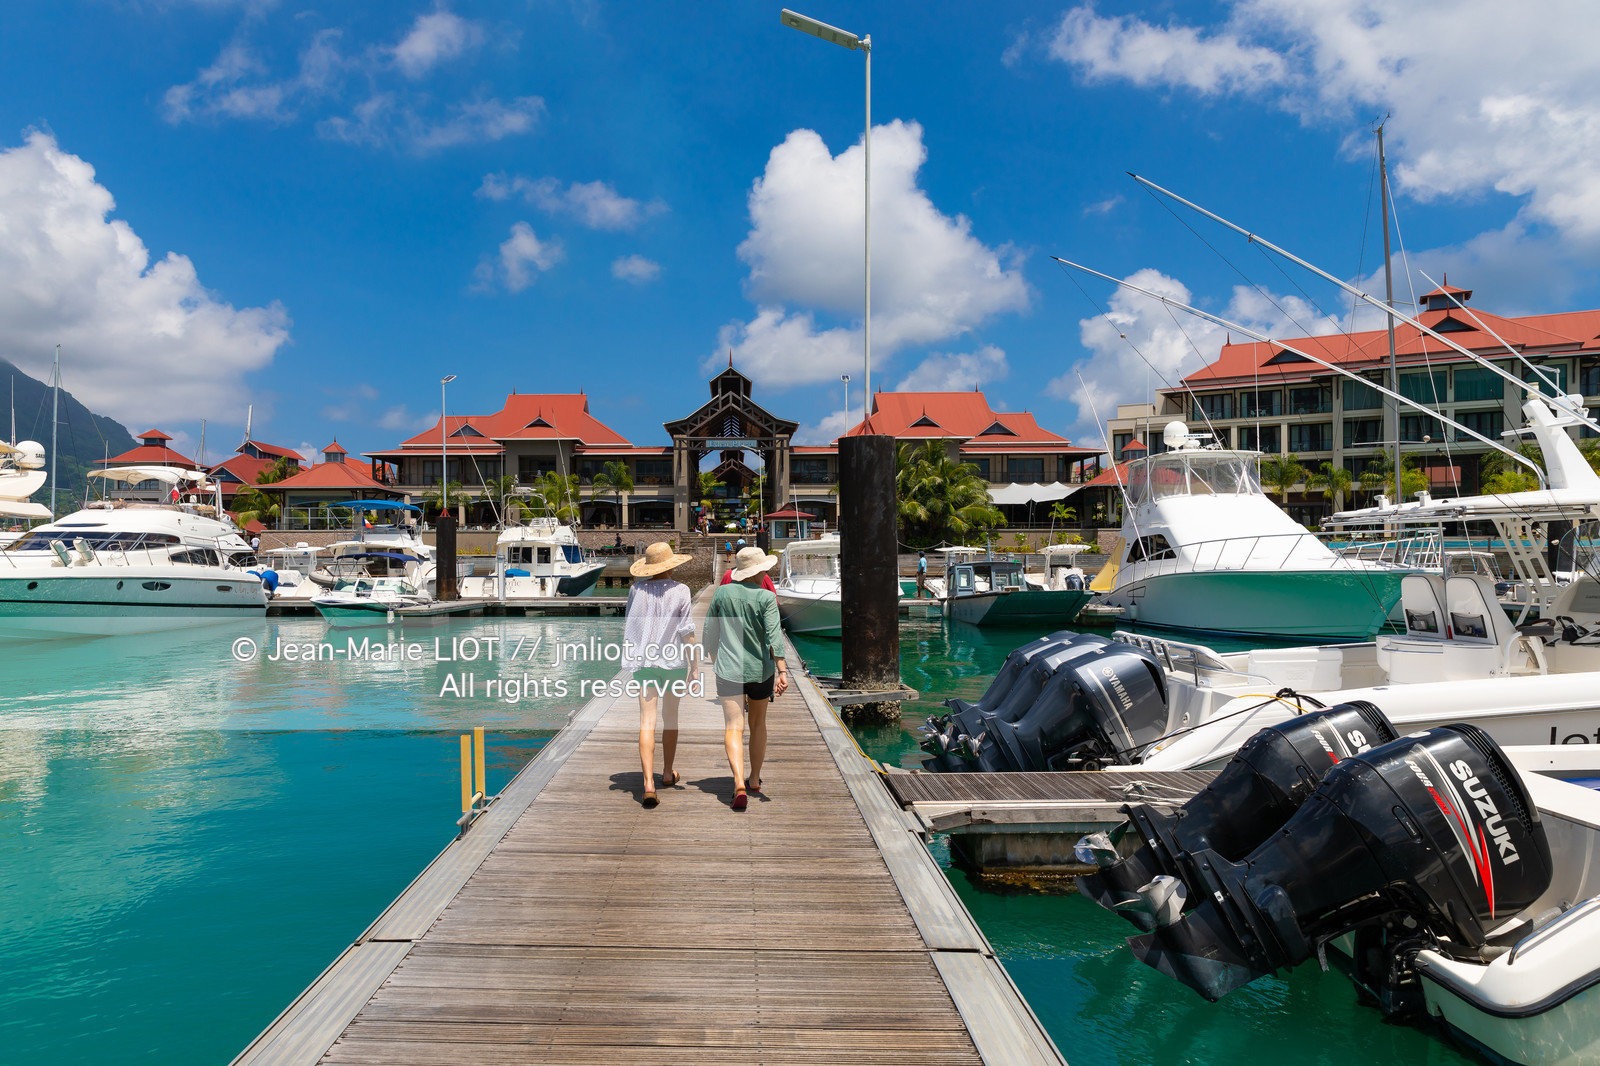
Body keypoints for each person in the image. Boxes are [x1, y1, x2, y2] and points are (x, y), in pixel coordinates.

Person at [700, 546, 787, 811]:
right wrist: (782, 670)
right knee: (758, 724)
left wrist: (716, 660)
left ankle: (738, 782)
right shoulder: (766, 597)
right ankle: (754, 779)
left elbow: (709, 631)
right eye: (764, 570)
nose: (765, 574)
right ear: (758, 571)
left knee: (733, 727)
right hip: (760, 671)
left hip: (728, 671)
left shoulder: (722, 592)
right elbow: (774, 635)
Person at [622, 541, 696, 808]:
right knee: (671, 718)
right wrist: (695, 667)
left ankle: (648, 784)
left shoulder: (636, 590)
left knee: (646, 722)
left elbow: (631, 624)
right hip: (675, 663)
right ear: (671, 564)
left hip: (644, 663)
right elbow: (687, 631)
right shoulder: (682, 591)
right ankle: (666, 773)